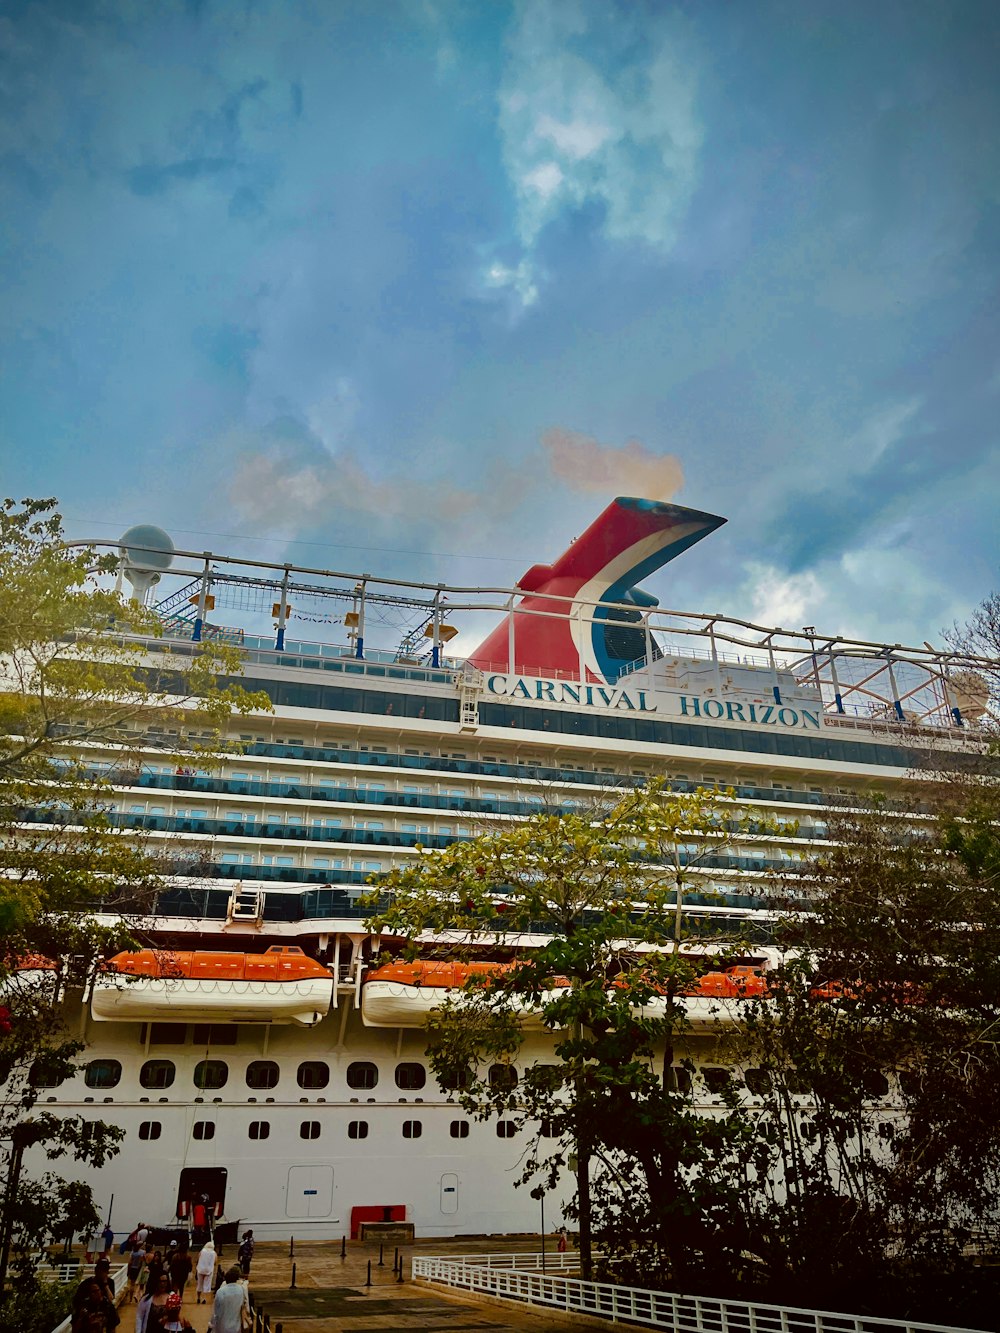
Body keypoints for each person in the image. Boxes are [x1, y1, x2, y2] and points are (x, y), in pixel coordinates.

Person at [73, 1257, 120, 1329]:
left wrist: (105, 1284)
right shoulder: (86, 1284)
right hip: (89, 1309)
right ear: (96, 1271)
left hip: (103, 1310)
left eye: (106, 1270)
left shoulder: (110, 1282)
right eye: (103, 1270)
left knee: (112, 1311)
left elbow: (110, 1299)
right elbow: (77, 1301)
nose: (106, 1273)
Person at [208, 1267, 250, 1333]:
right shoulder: (241, 1290)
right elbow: (244, 1306)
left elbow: (216, 1312)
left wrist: (211, 1326)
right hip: (236, 1327)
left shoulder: (220, 1291)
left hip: (222, 1327)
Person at [194, 1239, 216, 1303]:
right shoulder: (214, 1253)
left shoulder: (202, 1251)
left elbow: (198, 1259)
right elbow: (215, 1262)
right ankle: (204, 1299)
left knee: (199, 1284)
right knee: (206, 1285)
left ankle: (198, 1298)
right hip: (209, 1270)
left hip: (200, 1269)